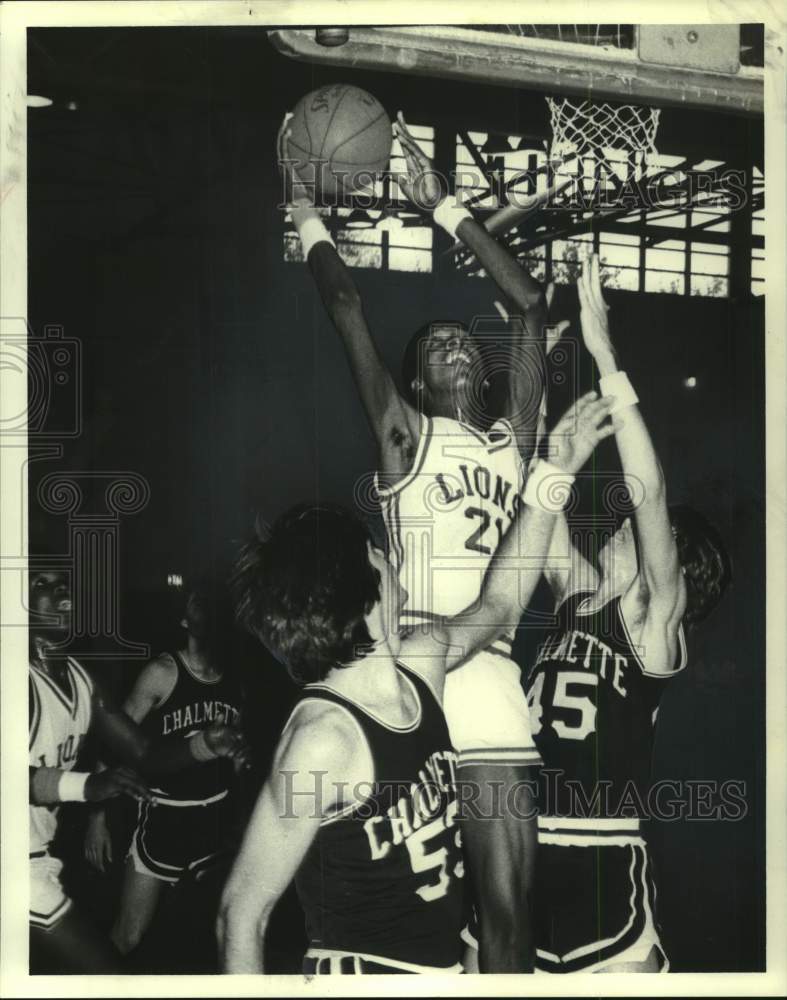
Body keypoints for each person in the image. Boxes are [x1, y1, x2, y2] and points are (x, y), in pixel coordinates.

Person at [277, 108, 557, 972]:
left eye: (459, 341)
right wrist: (307, 214)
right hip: (415, 663)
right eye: (433, 347)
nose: (454, 346)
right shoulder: (405, 438)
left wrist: (445, 208)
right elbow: (346, 305)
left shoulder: (511, 439)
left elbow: (531, 306)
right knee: (407, 917)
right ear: (410, 382)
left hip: (493, 668)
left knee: (509, 922)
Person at [218, 390, 617, 974]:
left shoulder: (421, 664)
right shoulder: (324, 738)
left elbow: (502, 605)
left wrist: (554, 471)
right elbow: (241, 913)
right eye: (377, 553)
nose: (390, 555)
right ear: (366, 589)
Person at [525, 255, 733, 973]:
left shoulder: (649, 623)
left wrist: (604, 356)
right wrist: (538, 383)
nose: (625, 523)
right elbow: (541, 495)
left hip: (601, 864)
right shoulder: (579, 600)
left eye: (650, 535)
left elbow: (648, 492)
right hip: (522, 853)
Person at [28, 565, 245, 973]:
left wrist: (206, 745)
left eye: (64, 584)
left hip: (41, 852)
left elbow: (143, 752)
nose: (60, 591)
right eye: (42, 585)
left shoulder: (80, 680)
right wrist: (90, 791)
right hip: (17, 862)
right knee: (109, 967)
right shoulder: (17, 681)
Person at [83, 582, 245, 960]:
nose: (206, 608)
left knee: (222, 931)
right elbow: (113, 741)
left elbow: (237, 752)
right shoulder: (162, 672)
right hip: (165, 819)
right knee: (129, 935)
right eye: (196, 603)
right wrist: (96, 818)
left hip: (215, 819)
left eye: (211, 602)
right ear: (184, 619)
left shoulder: (233, 676)